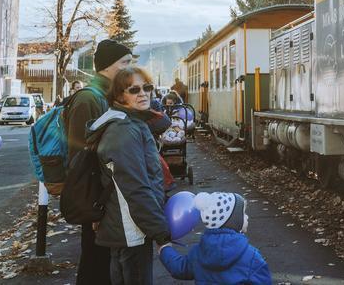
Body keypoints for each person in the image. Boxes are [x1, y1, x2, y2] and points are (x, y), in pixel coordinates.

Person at [86, 66, 171, 285]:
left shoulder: (129, 123)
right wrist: (160, 233)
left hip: (128, 226)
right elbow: (135, 188)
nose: (143, 93)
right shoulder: (124, 129)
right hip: (131, 229)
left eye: (147, 87)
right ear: (119, 96)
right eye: (134, 90)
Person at [63, 39, 133, 285]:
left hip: (106, 196)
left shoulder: (105, 96)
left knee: (104, 263)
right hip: (96, 198)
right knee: (94, 264)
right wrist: (94, 207)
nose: (128, 69)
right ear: (106, 66)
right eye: (124, 63)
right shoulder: (88, 100)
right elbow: (80, 159)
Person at [159, 192, 271, 285]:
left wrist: (165, 249)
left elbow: (180, 268)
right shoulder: (251, 256)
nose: (247, 216)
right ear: (233, 221)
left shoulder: (199, 252)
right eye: (243, 213)